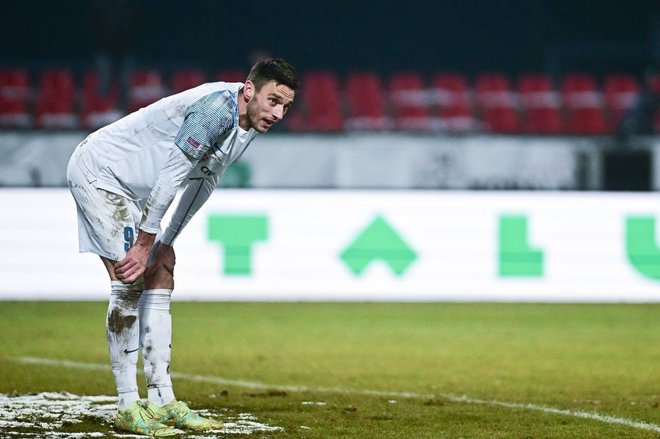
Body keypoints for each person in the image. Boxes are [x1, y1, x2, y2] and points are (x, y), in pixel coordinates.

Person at [66, 58, 298, 436]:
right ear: (249, 89)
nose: (278, 113)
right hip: (101, 172)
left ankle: (162, 399)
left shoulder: (248, 124)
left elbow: (204, 181)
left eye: (285, 106)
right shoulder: (214, 111)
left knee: (161, 271)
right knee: (130, 278)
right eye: (273, 100)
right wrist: (145, 242)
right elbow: (174, 173)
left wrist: (166, 241)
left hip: (135, 189)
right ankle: (127, 403)